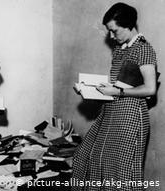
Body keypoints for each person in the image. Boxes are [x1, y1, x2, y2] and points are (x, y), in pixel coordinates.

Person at [72, 3, 157, 191]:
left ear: (128, 25)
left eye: (114, 31)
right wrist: (94, 90)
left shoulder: (143, 49)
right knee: (87, 155)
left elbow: (150, 89)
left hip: (130, 116)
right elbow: (120, 83)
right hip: (112, 111)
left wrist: (117, 92)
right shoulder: (120, 49)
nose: (111, 36)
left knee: (120, 170)